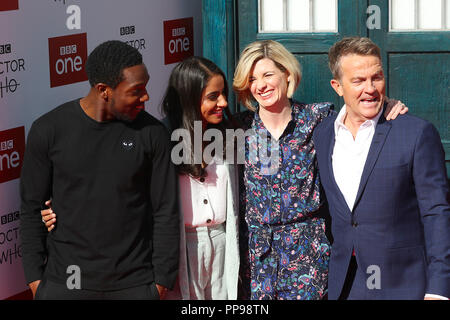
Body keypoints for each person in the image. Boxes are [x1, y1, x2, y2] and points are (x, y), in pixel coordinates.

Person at [42, 56, 241, 300]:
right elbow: (118, 188)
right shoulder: (158, 138)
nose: (222, 102)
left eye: (223, 94)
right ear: (189, 97)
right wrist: (62, 207)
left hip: (223, 249)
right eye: (213, 96)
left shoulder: (230, 136)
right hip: (175, 255)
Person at [232, 40, 407, 300]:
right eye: (252, 78)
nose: (261, 85)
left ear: (287, 74)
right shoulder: (237, 130)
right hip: (256, 259)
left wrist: (387, 105)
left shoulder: (319, 119)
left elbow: (361, 108)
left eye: (268, 74)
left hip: (308, 255)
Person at [20, 40, 179, 300]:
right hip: (66, 285)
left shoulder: (152, 134)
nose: (146, 97)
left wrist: (159, 283)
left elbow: (166, 210)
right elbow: (30, 209)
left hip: (135, 285)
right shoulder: (49, 130)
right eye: (136, 90)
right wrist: (37, 283)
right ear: (104, 90)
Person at [312, 36, 450, 300]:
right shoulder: (323, 134)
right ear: (337, 86)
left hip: (405, 284)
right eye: (358, 81)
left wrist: (439, 289)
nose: (370, 88)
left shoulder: (416, 133)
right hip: (345, 284)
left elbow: (437, 213)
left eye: (376, 77)